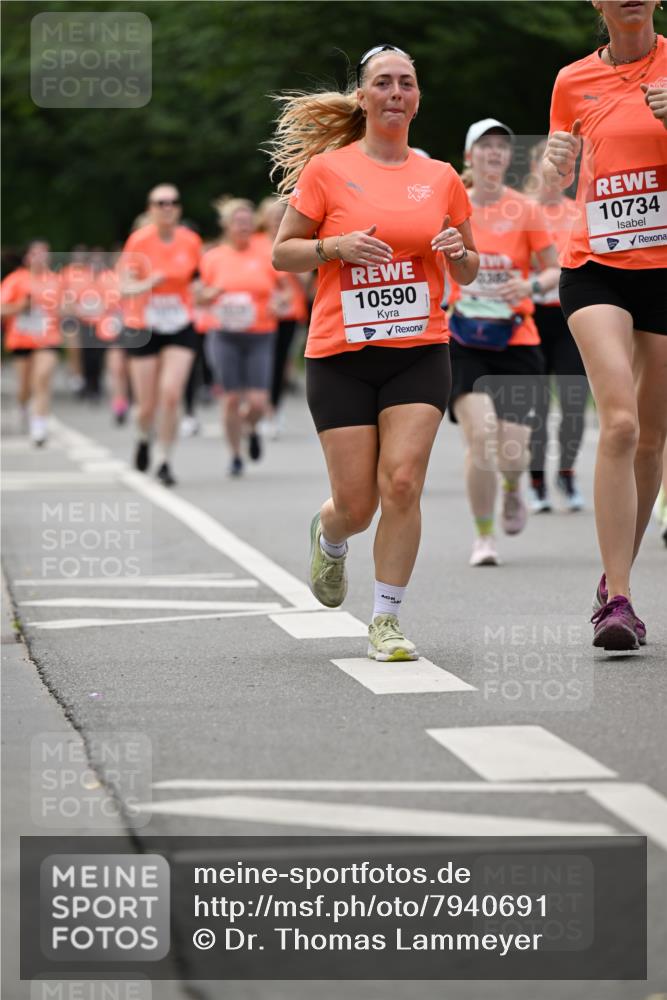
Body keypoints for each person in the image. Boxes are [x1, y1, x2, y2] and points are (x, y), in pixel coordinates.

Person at [270, 44, 478, 660]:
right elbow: (283, 252)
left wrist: (457, 253)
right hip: (341, 354)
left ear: (417, 97)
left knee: (405, 482)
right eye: (382, 83)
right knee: (357, 505)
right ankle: (331, 534)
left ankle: (385, 621)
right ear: (362, 98)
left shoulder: (440, 176)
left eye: (406, 83)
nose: (395, 92)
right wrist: (335, 248)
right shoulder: (328, 171)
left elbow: (468, 269)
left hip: (418, 348)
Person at [544, 0, 666, 650]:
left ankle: (610, 574)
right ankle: (617, 601)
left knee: (650, 439)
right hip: (595, 263)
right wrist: (553, 163)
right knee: (618, 422)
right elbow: (555, 183)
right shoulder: (571, 81)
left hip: (665, 268)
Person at [448, 120, 559, 567]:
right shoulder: (451, 209)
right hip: (463, 337)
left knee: (514, 451)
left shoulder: (525, 209)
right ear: (469, 156)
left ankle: (514, 489)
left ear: (509, 159)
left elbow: (554, 270)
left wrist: (529, 287)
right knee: (482, 437)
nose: (494, 154)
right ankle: (483, 536)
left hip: (516, 337)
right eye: (485, 147)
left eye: (502, 148)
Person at [118, 183, 202, 486]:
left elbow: (198, 280)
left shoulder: (191, 240)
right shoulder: (139, 241)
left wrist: (204, 292)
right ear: (150, 208)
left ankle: (165, 459)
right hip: (144, 325)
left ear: (179, 208)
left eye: (173, 202)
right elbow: (124, 287)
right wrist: (148, 283)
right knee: (147, 405)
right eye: (160, 203)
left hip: (180, 323)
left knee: (171, 394)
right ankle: (143, 437)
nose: (167, 207)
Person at [523, 140, 590, 514]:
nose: (557, 177)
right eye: (550, 168)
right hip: (532, 317)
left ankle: (566, 472)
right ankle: (536, 483)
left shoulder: (579, 211)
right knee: (535, 406)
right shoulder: (522, 212)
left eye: (566, 170)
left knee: (574, 401)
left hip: (571, 316)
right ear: (536, 170)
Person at [199, 197, 287, 476]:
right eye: (238, 222)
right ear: (226, 226)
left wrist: (279, 303)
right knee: (231, 399)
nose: (245, 227)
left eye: (248, 222)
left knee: (259, 401)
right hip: (225, 335)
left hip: (261, 334)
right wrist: (208, 295)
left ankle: (251, 428)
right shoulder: (213, 257)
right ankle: (235, 455)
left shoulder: (265, 254)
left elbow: (285, 290)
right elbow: (198, 295)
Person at [256, 195, 311, 438]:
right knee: (261, 363)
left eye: (281, 216)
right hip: (259, 314)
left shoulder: (297, 241)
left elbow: (308, 281)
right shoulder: (255, 242)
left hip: (289, 313)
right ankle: (258, 407)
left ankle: (274, 411)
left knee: (279, 363)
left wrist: (292, 266)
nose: (277, 220)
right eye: (273, 216)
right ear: (264, 219)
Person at [1, 240, 62, 445]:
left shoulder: (56, 281)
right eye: (36, 254)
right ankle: (24, 406)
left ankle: (39, 427)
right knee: (25, 387)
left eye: (45, 253)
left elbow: (67, 308)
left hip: (47, 339)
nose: (41, 258)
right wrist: (21, 306)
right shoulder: (15, 280)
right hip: (21, 340)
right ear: (27, 258)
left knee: (42, 378)